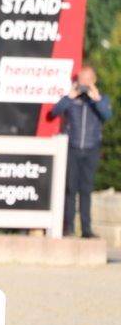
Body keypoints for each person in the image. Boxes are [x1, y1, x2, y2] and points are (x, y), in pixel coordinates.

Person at [49, 65, 112, 237]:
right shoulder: (72, 99)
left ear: (94, 80)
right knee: (70, 188)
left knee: (86, 189)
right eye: (81, 79)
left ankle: (86, 229)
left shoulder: (100, 99)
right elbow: (54, 111)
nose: (83, 83)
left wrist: (96, 98)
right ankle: (68, 227)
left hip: (91, 149)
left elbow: (107, 115)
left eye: (87, 80)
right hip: (73, 148)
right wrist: (69, 97)